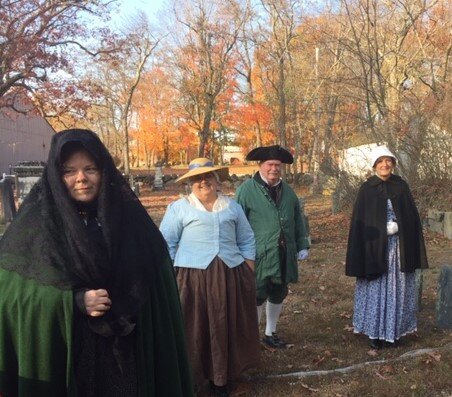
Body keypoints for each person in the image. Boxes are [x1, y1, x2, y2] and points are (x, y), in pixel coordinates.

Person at [0, 129, 193, 396]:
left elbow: (158, 277)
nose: (81, 178)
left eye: (90, 168)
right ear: (57, 176)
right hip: (71, 353)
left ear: (104, 171)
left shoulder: (130, 221)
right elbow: (12, 295)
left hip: (128, 352)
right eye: (69, 171)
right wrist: (74, 301)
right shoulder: (37, 226)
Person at [159, 158, 259, 397]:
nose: (203, 182)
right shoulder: (179, 208)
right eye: (196, 178)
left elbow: (246, 238)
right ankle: (196, 375)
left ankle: (224, 376)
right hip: (193, 277)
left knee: (226, 323)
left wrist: (248, 267)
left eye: (208, 177)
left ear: (217, 179)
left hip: (229, 274)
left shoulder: (232, 207)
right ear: (190, 183)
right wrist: (172, 275)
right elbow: (166, 244)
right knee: (197, 326)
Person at [345, 145, 428, 349]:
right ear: (375, 165)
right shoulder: (367, 188)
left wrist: (399, 225)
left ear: (393, 164)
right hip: (374, 249)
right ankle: (375, 333)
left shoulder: (401, 186)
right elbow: (361, 221)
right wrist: (382, 229)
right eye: (381, 161)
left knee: (398, 288)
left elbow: (411, 217)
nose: (385, 164)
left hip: (399, 249)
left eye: (388, 161)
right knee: (376, 287)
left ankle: (394, 331)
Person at [235, 145, 310, 349]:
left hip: (284, 252)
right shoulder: (246, 191)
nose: (274, 169)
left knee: (279, 291)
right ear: (261, 165)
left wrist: (303, 244)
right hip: (257, 254)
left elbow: (298, 219)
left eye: (278, 165)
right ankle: (250, 337)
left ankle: (270, 333)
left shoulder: (288, 192)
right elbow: (236, 223)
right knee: (257, 294)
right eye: (270, 164)